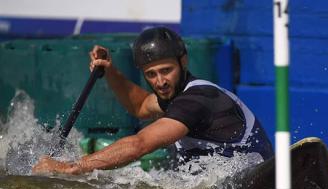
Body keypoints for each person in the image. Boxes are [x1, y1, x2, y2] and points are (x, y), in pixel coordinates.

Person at [32, 27, 273, 175]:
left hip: (251, 181)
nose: (160, 82)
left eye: (166, 70)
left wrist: (74, 167)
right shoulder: (175, 94)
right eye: (151, 74)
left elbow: (140, 145)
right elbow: (140, 106)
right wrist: (110, 70)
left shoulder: (198, 99)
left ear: (184, 61)